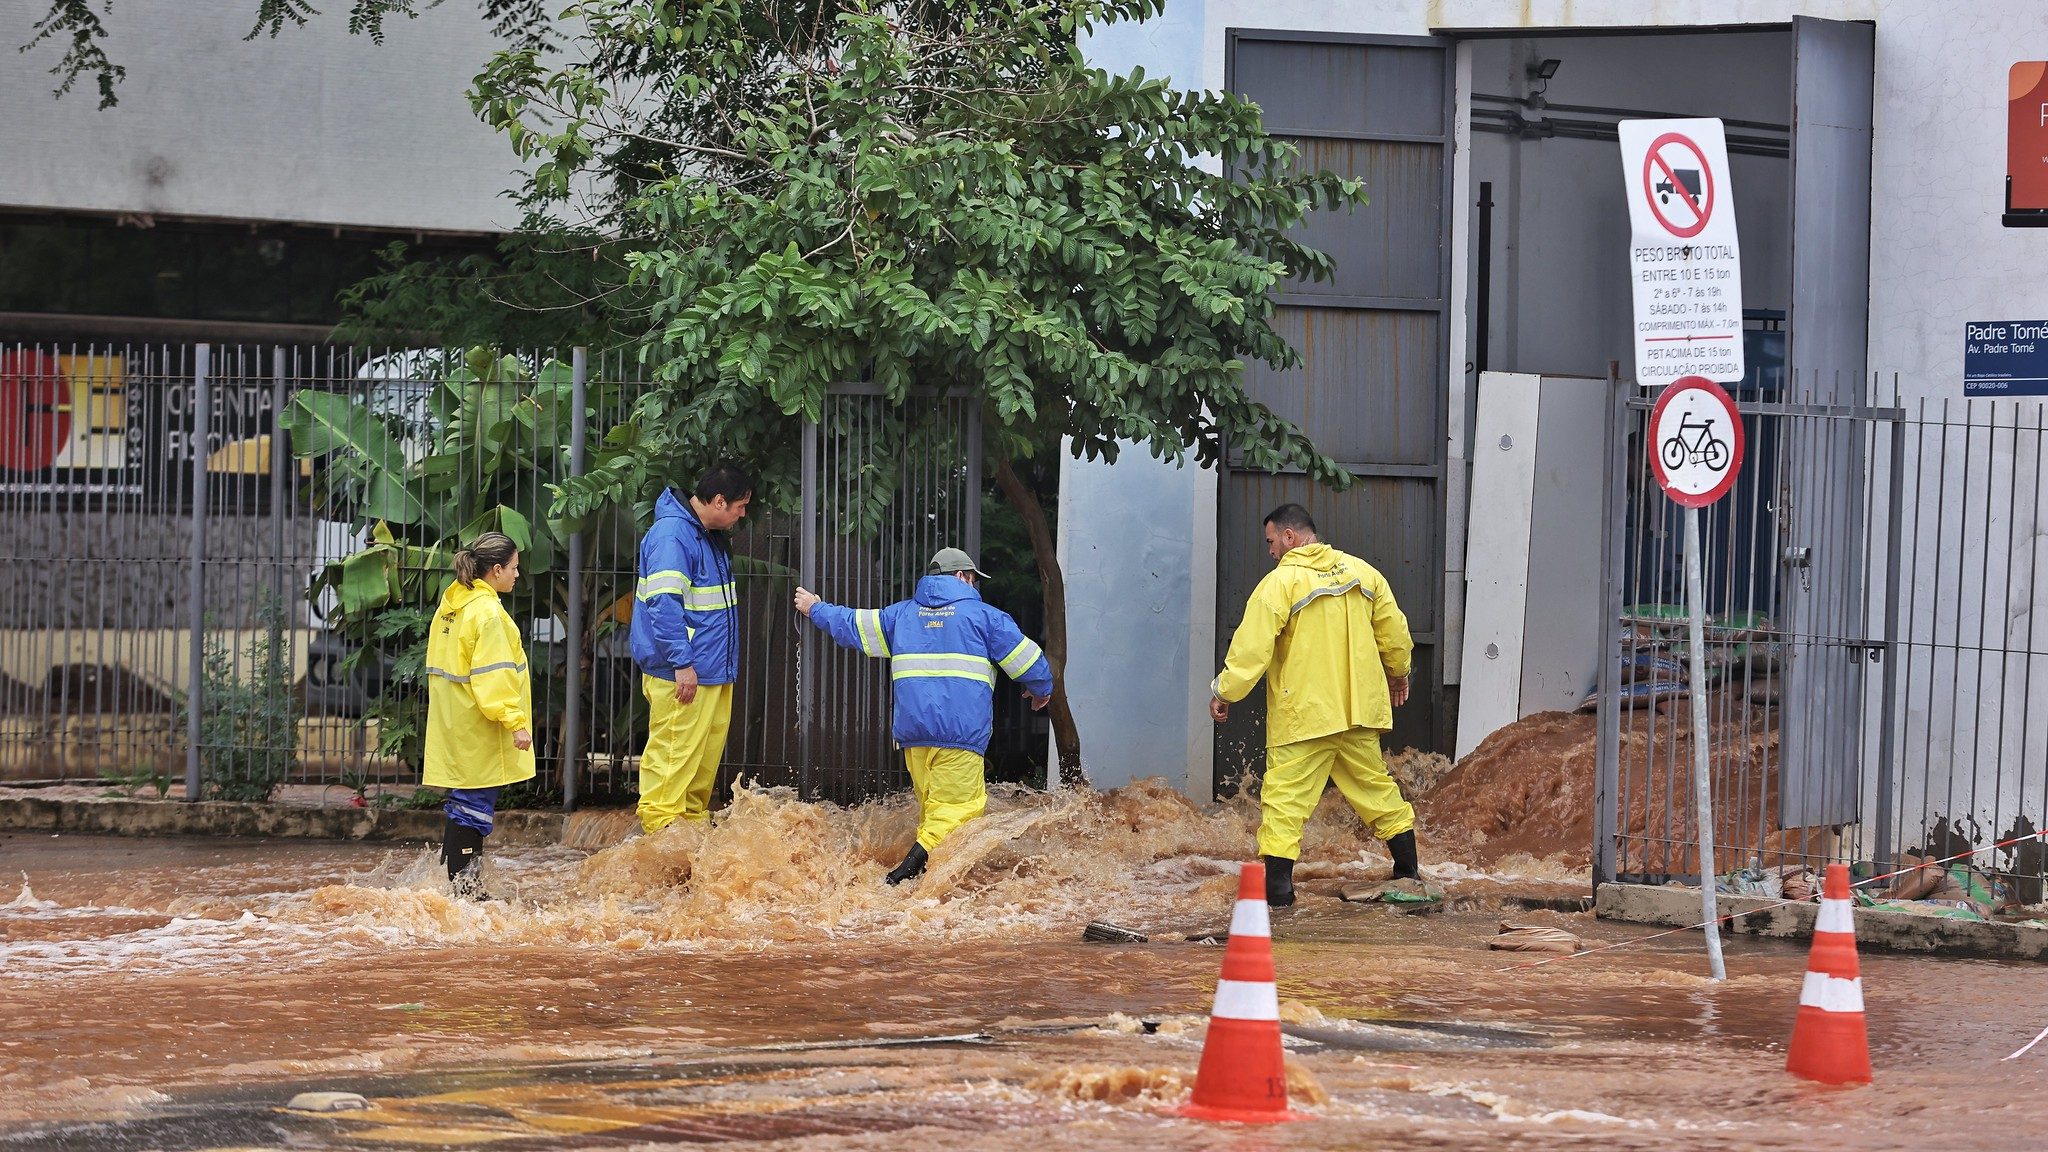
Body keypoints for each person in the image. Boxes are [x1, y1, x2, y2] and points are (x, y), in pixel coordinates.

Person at [793, 547, 1053, 885]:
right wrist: (1041, 688)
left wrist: (816, 608)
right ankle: (903, 875)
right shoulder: (986, 617)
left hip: (914, 737)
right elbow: (1030, 662)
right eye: (973, 579)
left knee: (933, 809)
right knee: (960, 810)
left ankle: (929, 885)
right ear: (962, 577)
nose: (975, 586)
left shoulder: (900, 616)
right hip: (960, 737)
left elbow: (853, 625)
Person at [1209, 503, 1419, 907]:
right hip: (1357, 713)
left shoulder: (1280, 584)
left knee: (1284, 801)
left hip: (1305, 715)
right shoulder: (1364, 573)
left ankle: (1279, 896)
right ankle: (1409, 874)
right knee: (1377, 791)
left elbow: (1251, 649)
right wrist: (1399, 672)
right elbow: (1395, 632)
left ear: (1290, 538)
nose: (1270, 551)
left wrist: (1224, 691)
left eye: (1271, 542)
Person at [630, 464, 753, 834]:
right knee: (669, 774)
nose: (742, 514)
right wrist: (682, 663)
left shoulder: (703, 534)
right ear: (718, 502)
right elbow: (664, 604)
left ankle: (689, 856)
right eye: (740, 506)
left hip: (710, 673)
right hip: (684, 675)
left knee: (696, 778)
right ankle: (659, 858)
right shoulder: (673, 536)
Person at [423, 531, 534, 900]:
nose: (518, 575)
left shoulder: (453, 604)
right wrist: (516, 723)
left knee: (463, 804)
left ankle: (459, 890)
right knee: (474, 808)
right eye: (514, 568)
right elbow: (494, 677)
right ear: (496, 570)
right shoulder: (489, 614)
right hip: (480, 724)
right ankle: (468, 895)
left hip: (455, 720)